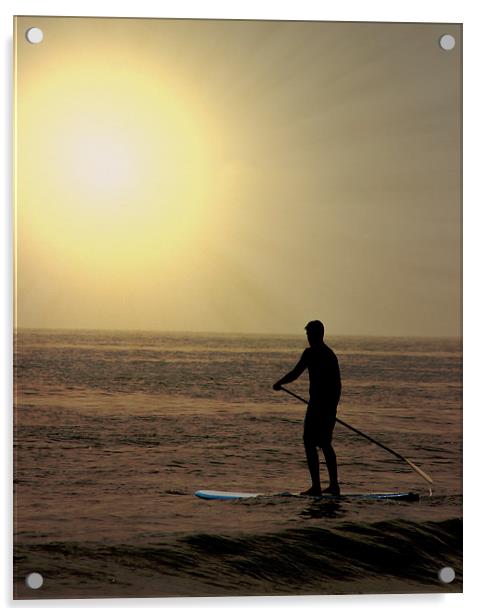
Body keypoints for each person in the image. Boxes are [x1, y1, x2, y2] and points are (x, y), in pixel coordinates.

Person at [273, 320, 341, 496]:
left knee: (311, 442)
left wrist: (279, 383)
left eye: (310, 334)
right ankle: (332, 485)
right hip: (327, 407)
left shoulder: (312, 353)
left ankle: (318, 486)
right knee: (325, 444)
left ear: (317, 335)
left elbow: (295, 373)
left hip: (319, 407)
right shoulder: (330, 354)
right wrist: (333, 409)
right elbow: (338, 386)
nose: (308, 338)